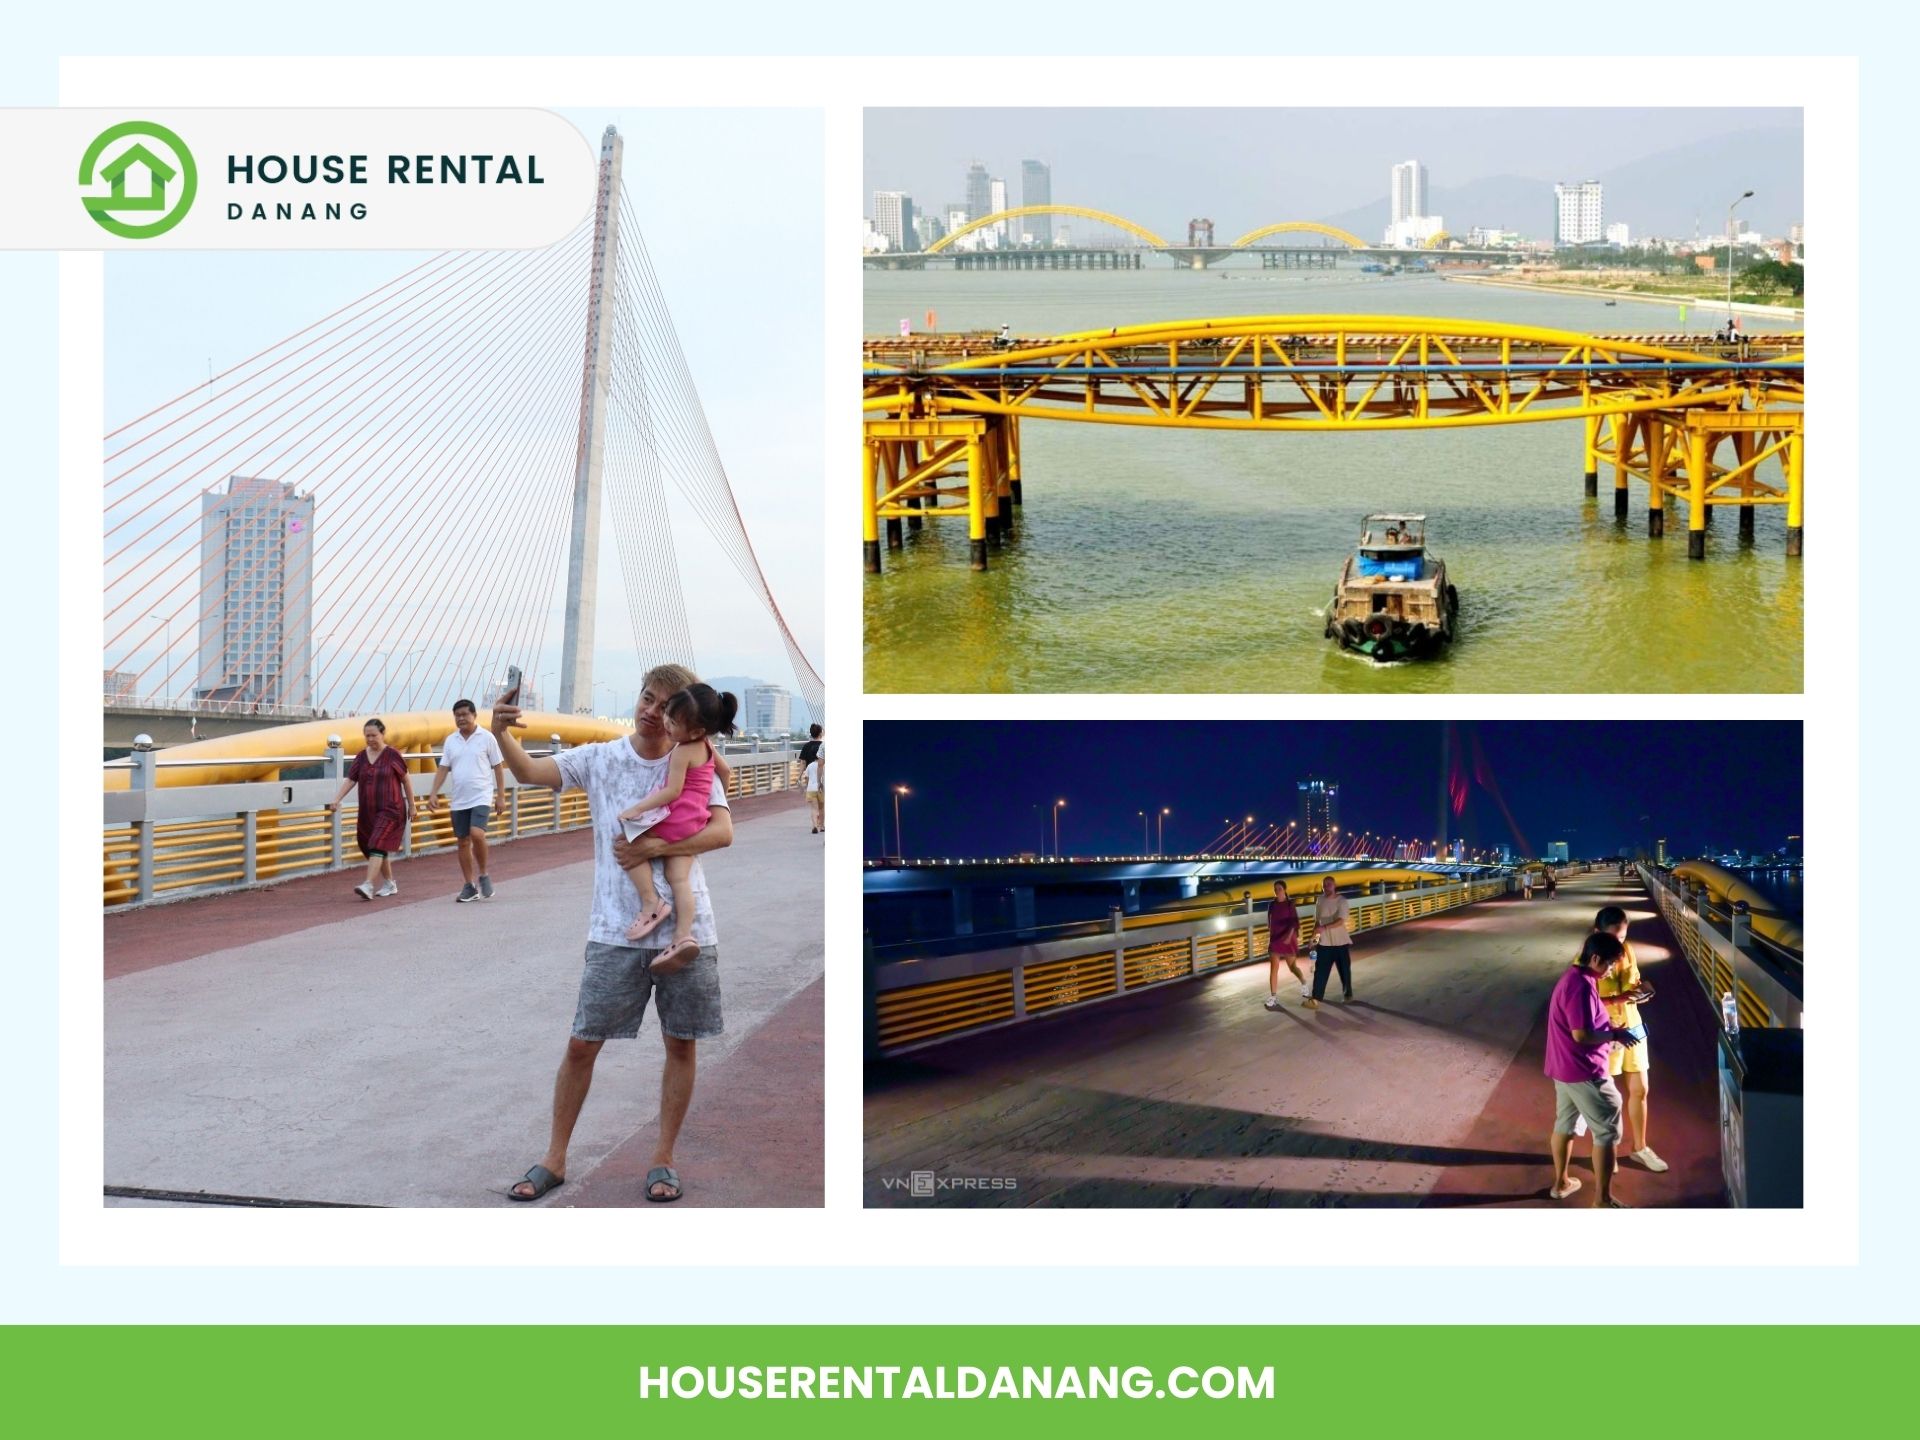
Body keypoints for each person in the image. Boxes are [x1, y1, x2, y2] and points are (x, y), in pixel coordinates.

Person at [494, 665, 734, 1205]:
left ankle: (663, 1160)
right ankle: (555, 1158)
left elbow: (723, 830)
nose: (652, 711)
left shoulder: (695, 760)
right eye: (647, 698)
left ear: (686, 718)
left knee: (681, 1043)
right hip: (614, 930)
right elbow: (533, 773)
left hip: (687, 930)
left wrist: (649, 849)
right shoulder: (601, 759)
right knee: (582, 1044)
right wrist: (501, 734)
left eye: (666, 705)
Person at [617, 684, 739, 973]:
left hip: (677, 818)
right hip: (696, 820)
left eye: (673, 722)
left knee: (627, 843)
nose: (666, 724)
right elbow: (726, 772)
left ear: (695, 731)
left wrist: (638, 808)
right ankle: (682, 937)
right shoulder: (707, 746)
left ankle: (651, 905)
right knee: (678, 879)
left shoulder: (683, 751)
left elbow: (672, 791)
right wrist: (718, 793)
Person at [1545, 930, 1643, 1206]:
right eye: (1610, 963)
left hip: (1563, 1067)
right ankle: (1602, 1200)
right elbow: (1581, 1035)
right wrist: (1615, 1036)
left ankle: (1561, 1182)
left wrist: (1609, 1028)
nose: (1611, 969)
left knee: (1565, 1124)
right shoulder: (1582, 986)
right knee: (1608, 1131)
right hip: (1584, 1071)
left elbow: (1585, 1023)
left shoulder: (1574, 978)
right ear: (1596, 958)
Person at [1593, 905, 1667, 1173]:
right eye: (1613, 938)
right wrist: (1619, 999)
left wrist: (1642, 990)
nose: (1619, 945)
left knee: (1640, 1089)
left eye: (1623, 938)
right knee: (1607, 1098)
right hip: (1606, 1031)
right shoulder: (1587, 960)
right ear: (1597, 933)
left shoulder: (1628, 951)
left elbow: (1633, 983)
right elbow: (1584, 1001)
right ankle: (1607, 1150)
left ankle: (1640, 1147)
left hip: (1632, 1025)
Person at [422, 698, 506, 903]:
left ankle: (484, 874)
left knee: (477, 834)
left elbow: (498, 767)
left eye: (464, 715)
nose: (461, 719)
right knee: (462, 842)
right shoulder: (451, 741)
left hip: (481, 795)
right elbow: (443, 768)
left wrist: (501, 796)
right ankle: (469, 886)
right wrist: (433, 792)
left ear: (474, 715)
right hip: (459, 799)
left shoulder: (487, 738)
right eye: (457, 716)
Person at [324, 718, 412, 900]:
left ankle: (368, 885)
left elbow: (406, 779)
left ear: (383, 734)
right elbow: (351, 779)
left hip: (391, 808)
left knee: (377, 843)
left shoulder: (393, 755)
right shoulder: (361, 757)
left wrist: (412, 805)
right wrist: (337, 799)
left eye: (374, 735)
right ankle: (389, 883)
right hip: (368, 810)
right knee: (369, 845)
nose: (370, 739)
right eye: (367, 736)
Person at [1307, 874, 1354, 1007]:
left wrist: (1324, 927)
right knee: (1320, 971)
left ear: (1335, 886)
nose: (1326, 886)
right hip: (1324, 943)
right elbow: (1317, 922)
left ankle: (1347, 993)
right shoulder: (1320, 900)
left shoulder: (1342, 901)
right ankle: (1316, 998)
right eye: (1324, 884)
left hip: (1341, 943)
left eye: (1329, 884)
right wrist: (1313, 939)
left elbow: (1340, 921)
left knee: (1344, 971)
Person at [1263, 880, 1307, 1010]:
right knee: (1273, 968)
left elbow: (1294, 923)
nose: (1277, 891)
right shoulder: (1271, 905)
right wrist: (1271, 935)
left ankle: (1304, 982)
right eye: (1275, 889)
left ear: (1285, 890)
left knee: (1292, 967)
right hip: (1275, 939)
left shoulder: (1290, 904)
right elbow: (1269, 922)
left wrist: (1288, 937)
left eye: (1280, 888)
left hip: (1288, 938)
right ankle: (1273, 997)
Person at [804, 750, 824, 834]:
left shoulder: (809, 765)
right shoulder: (824, 765)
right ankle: (822, 826)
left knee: (813, 808)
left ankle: (815, 826)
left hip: (811, 789)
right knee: (821, 808)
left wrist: (808, 786)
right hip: (821, 789)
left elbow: (806, 778)